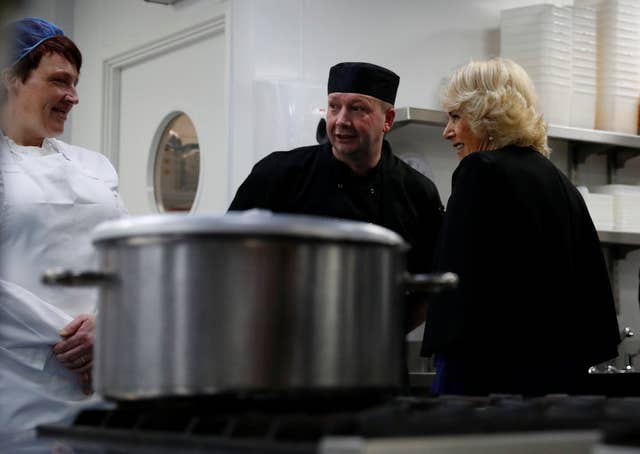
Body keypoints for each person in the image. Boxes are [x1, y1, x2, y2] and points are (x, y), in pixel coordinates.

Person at [421, 57, 620, 396]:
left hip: (489, 381)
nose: (447, 131)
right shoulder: (560, 182)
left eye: (456, 116)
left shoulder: (479, 169)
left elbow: (459, 287)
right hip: (558, 381)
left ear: (487, 113)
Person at [229, 62, 444, 330]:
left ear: (387, 120)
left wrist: (381, 335)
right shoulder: (278, 174)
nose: (341, 120)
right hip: (288, 356)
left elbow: (430, 284)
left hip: (375, 363)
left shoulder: (416, 192)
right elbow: (229, 259)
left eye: (357, 108)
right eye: (334, 106)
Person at [0, 17, 127, 432]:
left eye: (75, 84)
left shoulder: (95, 167)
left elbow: (126, 257)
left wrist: (106, 324)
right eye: (59, 81)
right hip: (16, 382)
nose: (73, 97)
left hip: (102, 382)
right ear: (11, 79)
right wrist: (74, 340)